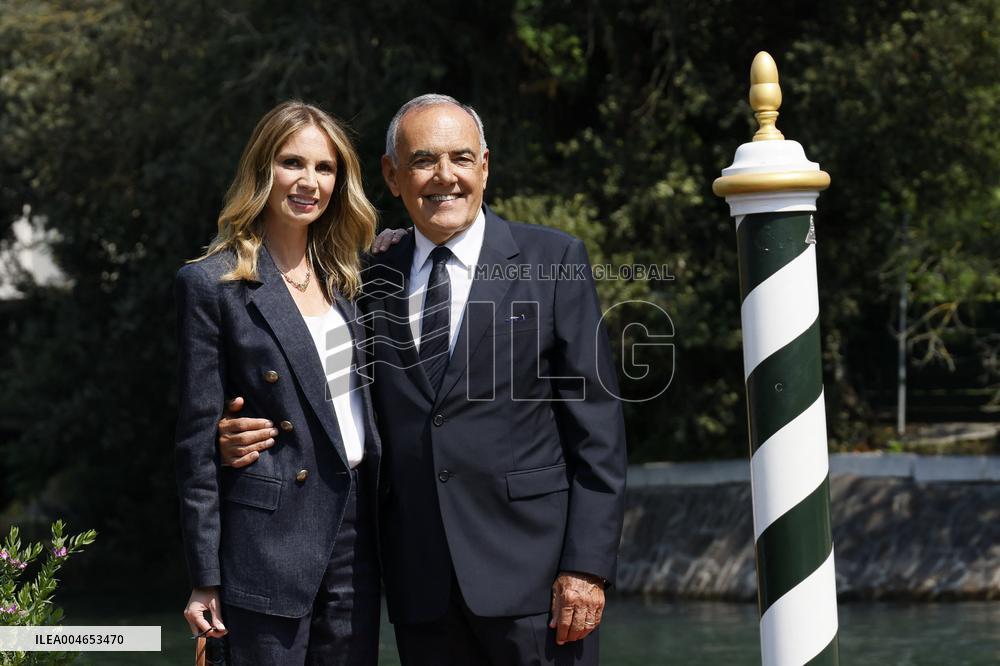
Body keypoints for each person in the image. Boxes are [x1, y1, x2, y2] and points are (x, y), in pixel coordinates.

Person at [219, 94, 627, 665]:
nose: (445, 176)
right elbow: (326, 399)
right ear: (392, 175)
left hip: (538, 586)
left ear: (485, 165)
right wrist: (237, 434)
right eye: (424, 161)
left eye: (461, 158)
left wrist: (586, 568)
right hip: (419, 587)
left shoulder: (554, 262)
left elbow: (598, 433)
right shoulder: (362, 278)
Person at [174, 100, 382, 665]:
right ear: (262, 169)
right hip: (267, 537)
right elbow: (195, 444)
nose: (309, 181)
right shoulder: (212, 284)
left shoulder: (353, 282)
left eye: (325, 168)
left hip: (358, 533)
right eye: (293, 163)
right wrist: (204, 576)